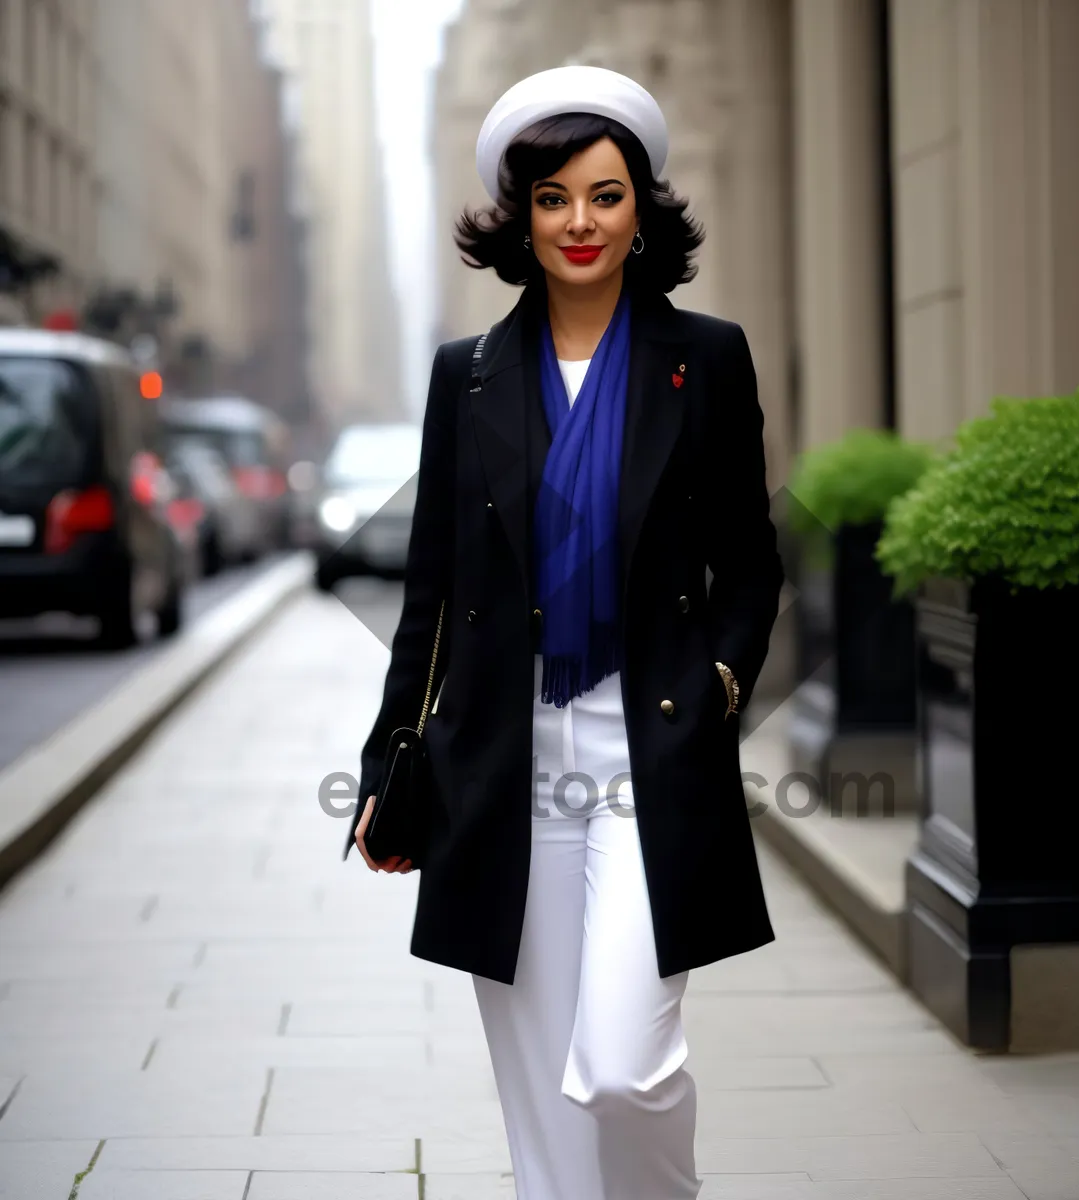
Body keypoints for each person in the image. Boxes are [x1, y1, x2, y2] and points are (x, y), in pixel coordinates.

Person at [346, 64, 784, 1200]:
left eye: (603, 193)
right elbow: (431, 594)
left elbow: (749, 561)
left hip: (653, 743)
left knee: (626, 1072)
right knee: (543, 1105)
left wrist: (725, 676)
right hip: (504, 757)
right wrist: (389, 757)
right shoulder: (470, 378)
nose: (579, 222)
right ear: (519, 217)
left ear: (643, 207)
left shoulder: (708, 359)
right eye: (551, 198)